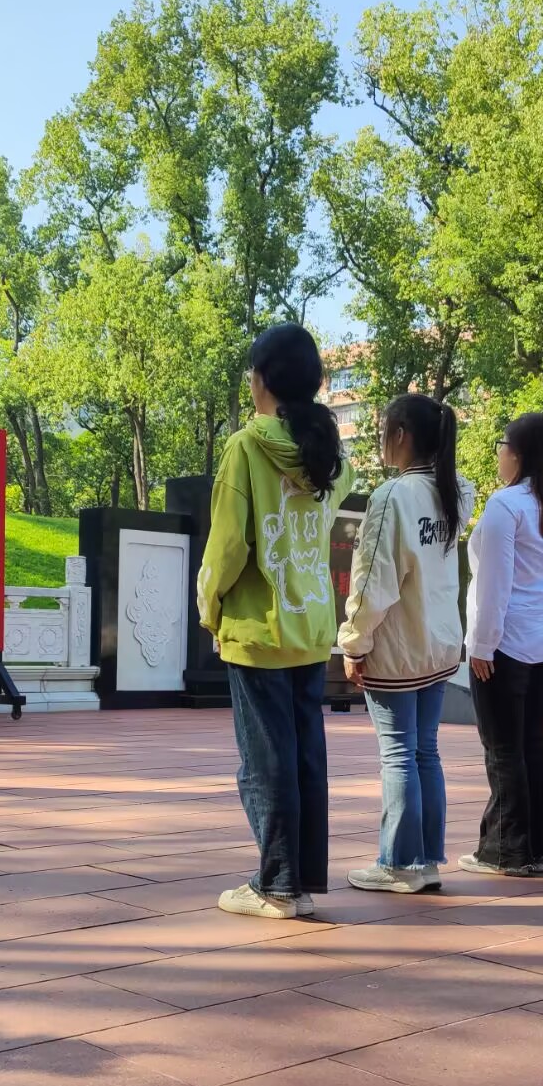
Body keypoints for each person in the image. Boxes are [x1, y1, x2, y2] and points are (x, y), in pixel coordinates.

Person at [198, 323, 354, 919]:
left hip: (259, 627)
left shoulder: (246, 448)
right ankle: (301, 880)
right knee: (305, 756)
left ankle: (276, 886)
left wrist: (210, 607)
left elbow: (227, 547)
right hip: (310, 625)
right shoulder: (330, 456)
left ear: (259, 380)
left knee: (265, 761)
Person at [338, 394, 474, 893]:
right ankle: (425, 862)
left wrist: (354, 643)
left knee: (398, 754)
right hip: (438, 645)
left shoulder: (392, 497)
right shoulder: (456, 490)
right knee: (424, 752)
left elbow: (372, 581)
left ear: (400, 435)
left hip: (397, 648)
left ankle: (398, 863)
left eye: (383, 430)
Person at [463, 413, 543, 875]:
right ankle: (534, 849)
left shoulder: (506, 505)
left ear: (519, 454)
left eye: (502, 445)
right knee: (531, 744)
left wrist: (482, 644)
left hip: (506, 642)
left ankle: (506, 852)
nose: (498, 454)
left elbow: (495, 584)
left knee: (503, 749)